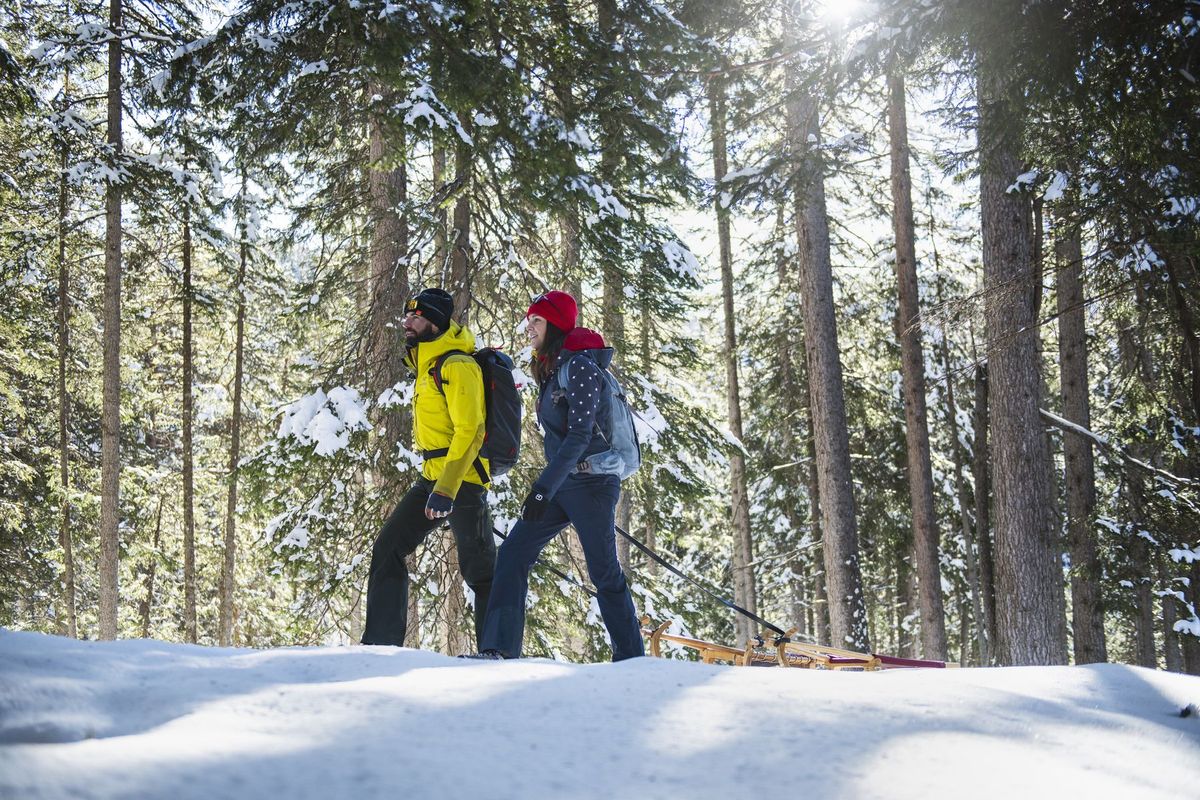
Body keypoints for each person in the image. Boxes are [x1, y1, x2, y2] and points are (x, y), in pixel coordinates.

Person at [472, 290, 644, 661]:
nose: (529, 327)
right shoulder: (553, 368)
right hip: (564, 484)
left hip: (593, 484)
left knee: (604, 573)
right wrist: (548, 488)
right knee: (514, 553)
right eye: (529, 320)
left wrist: (541, 489)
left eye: (537, 320)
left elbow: (580, 436)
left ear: (556, 323)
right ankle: (498, 650)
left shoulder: (579, 366)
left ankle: (632, 660)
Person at [361, 287, 496, 648]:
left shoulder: (457, 365)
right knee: (388, 547)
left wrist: (447, 489)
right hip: (432, 479)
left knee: (481, 572)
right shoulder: (427, 365)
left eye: (416, 316)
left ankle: (497, 651)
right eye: (407, 315)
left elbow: (472, 431)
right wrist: (436, 484)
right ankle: (381, 645)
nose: (407, 322)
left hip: (462, 481)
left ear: (435, 322)